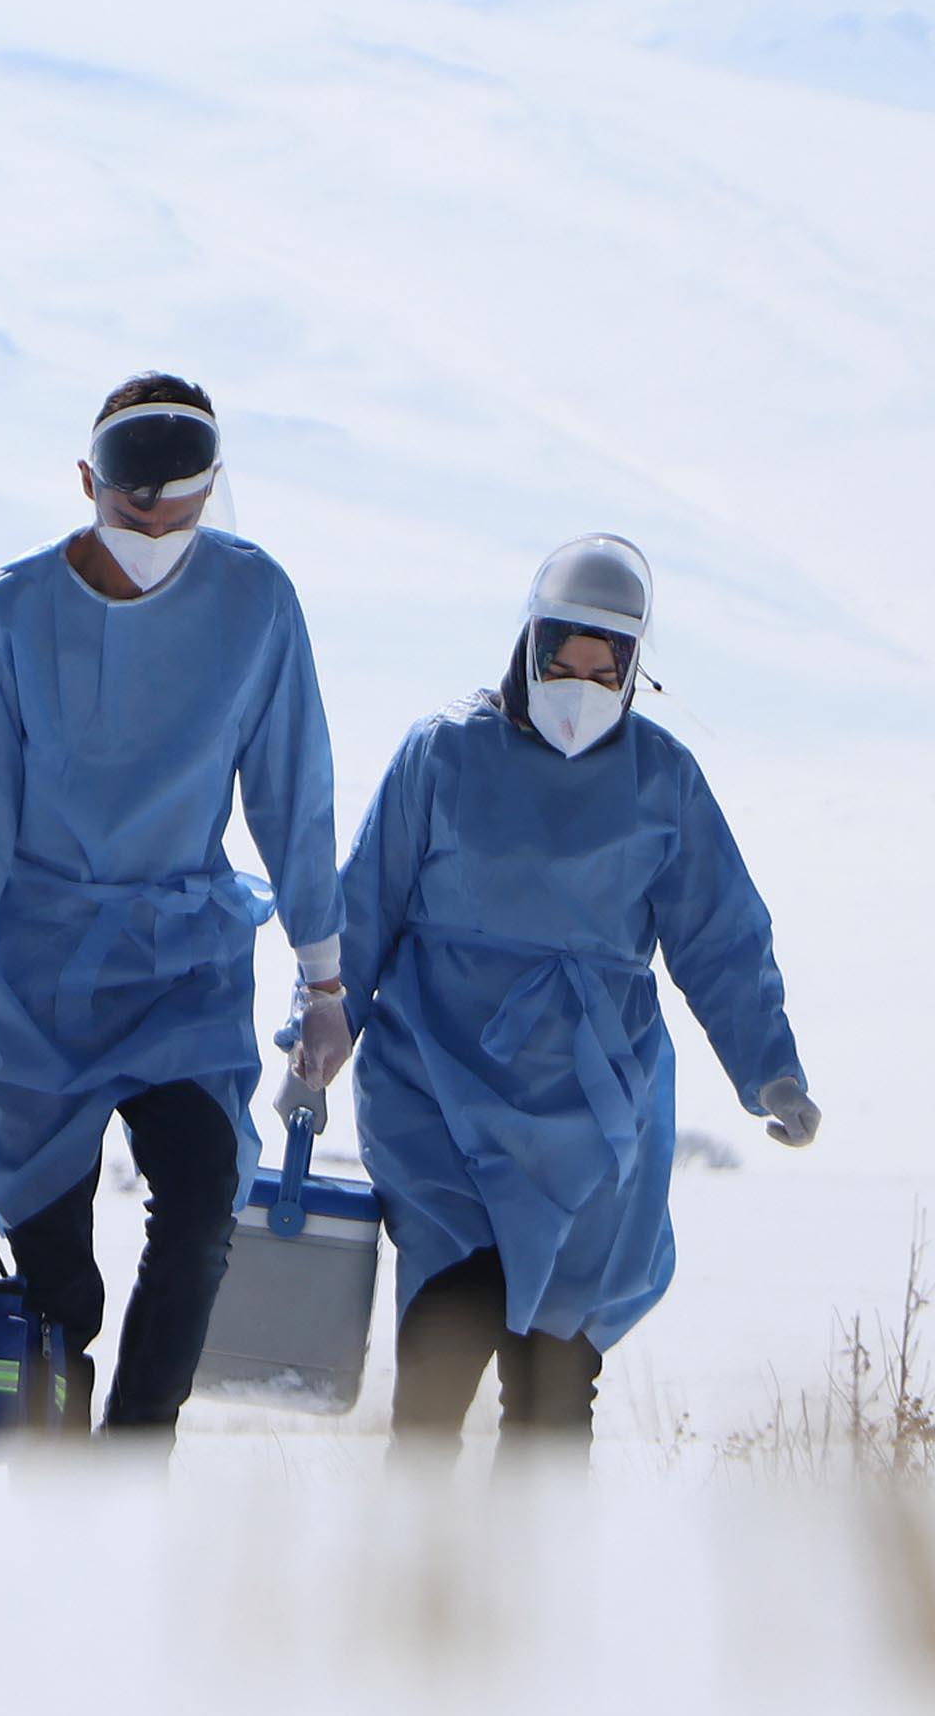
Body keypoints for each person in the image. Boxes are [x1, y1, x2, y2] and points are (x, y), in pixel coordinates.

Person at [293, 534, 820, 1460]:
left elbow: (721, 937)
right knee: (452, 1318)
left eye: (601, 667)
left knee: (554, 1376)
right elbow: (363, 902)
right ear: (528, 648)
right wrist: (322, 1024)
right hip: (441, 1083)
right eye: (561, 661)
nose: (578, 684)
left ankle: (534, 1588)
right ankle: (413, 1579)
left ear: (632, 669)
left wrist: (770, 1072)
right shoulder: (444, 755)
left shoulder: (664, 783)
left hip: (591, 1113)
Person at [0, 372, 350, 1444]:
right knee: (57, 1285)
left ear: (211, 488)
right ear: (88, 482)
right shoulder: (6, 617)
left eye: (178, 504)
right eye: (131, 504)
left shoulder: (254, 604)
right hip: (33, 979)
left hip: (179, 962)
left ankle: (138, 1457)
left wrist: (324, 981)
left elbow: (296, 790)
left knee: (199, 1202)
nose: (154, 527)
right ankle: (51, 1508)